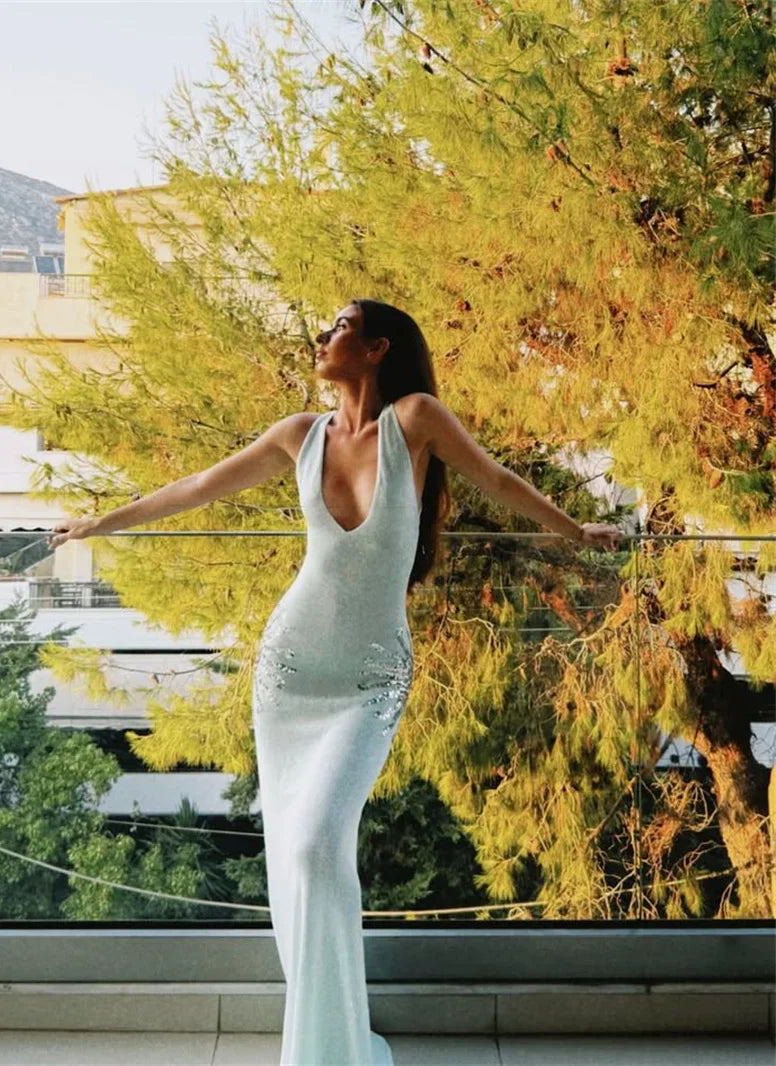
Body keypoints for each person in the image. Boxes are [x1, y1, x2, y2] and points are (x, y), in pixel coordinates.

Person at [49, 298, 623, 1065]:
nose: (323, 337)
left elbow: (497, 478)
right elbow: (199, 485)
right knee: (292, 851)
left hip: (369, 676)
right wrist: (99, 523)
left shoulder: (416, 420)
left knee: (320, 843)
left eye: (341, 327)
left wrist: (576, 532)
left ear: (378, 347)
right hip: (290, 670)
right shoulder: (300, 434)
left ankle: (338, 1042)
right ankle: (321, 1043)